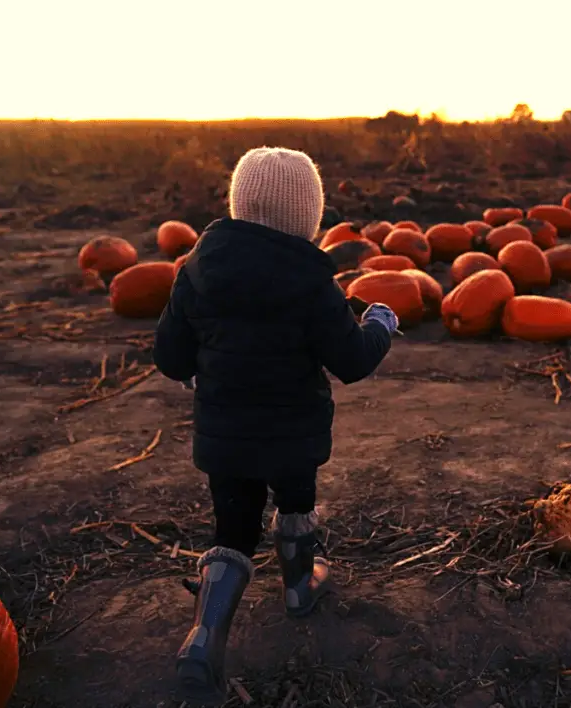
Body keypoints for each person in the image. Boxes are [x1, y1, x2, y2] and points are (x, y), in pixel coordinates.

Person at [152, 147, 398, 704]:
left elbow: (170, 358)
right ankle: (298, 589)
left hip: (225, 438)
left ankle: (204, 634)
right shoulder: (313, 283)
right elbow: (353, 361)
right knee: (294, 506)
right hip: (294, 438)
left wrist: (200, 368)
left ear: (239, 205)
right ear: (307, 218)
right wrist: (380, 321)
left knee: (232, 530)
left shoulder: (195, 269)